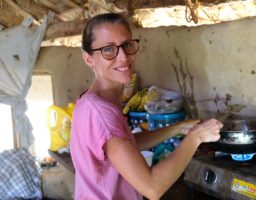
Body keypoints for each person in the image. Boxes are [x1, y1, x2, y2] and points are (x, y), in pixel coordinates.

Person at [70, 13, 223, 200]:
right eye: (108, 49)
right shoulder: (101, 112)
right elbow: (152, 187)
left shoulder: (89, 101)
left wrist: (178, 128)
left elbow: (126, 144)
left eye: (127, 45)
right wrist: (196, 137)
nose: (123, 57)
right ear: (88, 59)